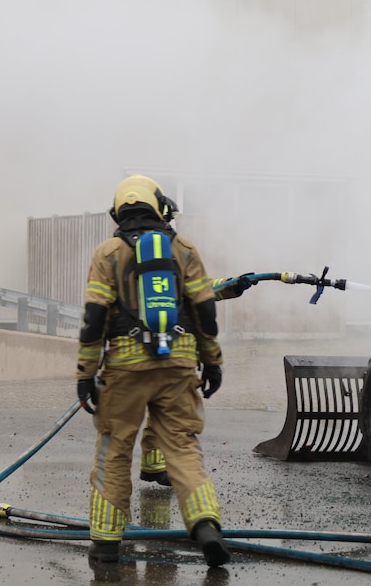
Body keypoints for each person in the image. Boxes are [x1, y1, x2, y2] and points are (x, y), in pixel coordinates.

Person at [75, 174, 231, 567]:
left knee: (114, 448)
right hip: (178, 363)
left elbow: (94, 318)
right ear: (160, 209)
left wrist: (85, 374)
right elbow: (205, 311)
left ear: (118, 213)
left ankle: (105, 543)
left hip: (125, 368)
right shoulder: (183, 249)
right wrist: (212, 361)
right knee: (182, 445)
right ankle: (205, 525)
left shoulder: (108, 253)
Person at [138, 272, 256, 486]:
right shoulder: (152, 275)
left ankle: (154, 463)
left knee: (164, 408)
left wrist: (235, 284)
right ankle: (175, 469)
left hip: (173, 352)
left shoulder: (175, 271)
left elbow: (206, 288)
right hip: (163, 351)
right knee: (175, 410)